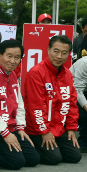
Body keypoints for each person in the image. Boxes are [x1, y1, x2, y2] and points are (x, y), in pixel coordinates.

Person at [22, 35, 82, 165]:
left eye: (64, 53)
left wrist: (71, 128)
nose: (59, 56)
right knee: (54, 159)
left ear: (69, 54)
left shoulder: (67, 74)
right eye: (56, 51)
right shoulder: (36, 72)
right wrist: (44, 132)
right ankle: (30, 144)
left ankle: (54, 147)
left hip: (59, 128)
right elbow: (36, 106)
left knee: (75, 156)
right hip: (37, 129)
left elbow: (72, 103)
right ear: (48, 50)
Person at [0, 40, 40, 170]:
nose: (13, 61)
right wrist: (5, 133)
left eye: (17, 57)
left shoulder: (12, 74)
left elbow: (19, 103)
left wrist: (20, 128)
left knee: (33, 159)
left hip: (11, 127)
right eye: (9, 56)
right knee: (16, 162)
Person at [71, 56, 87, 153]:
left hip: (84, 89)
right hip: (71, 89)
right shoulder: (84, 63)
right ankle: (83, 142)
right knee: (83, 115)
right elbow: (77, 90)